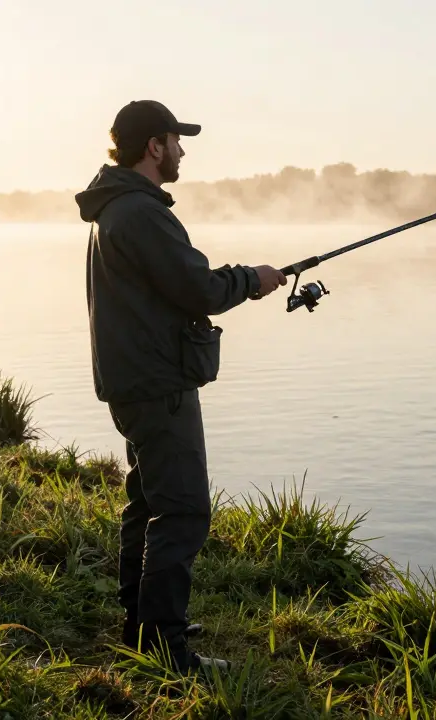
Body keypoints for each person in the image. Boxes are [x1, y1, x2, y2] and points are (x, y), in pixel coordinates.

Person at [74, 100, 287, 675]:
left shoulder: (117, 209)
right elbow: (196, 288)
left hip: (136, 379)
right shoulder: (140, 213)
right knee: (184, 511)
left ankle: (141, 625)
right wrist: (254, 279)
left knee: (148, 504)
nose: (182, 150)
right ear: (153, 146)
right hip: (156, 382)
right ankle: (165, 650)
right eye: (176, 139)